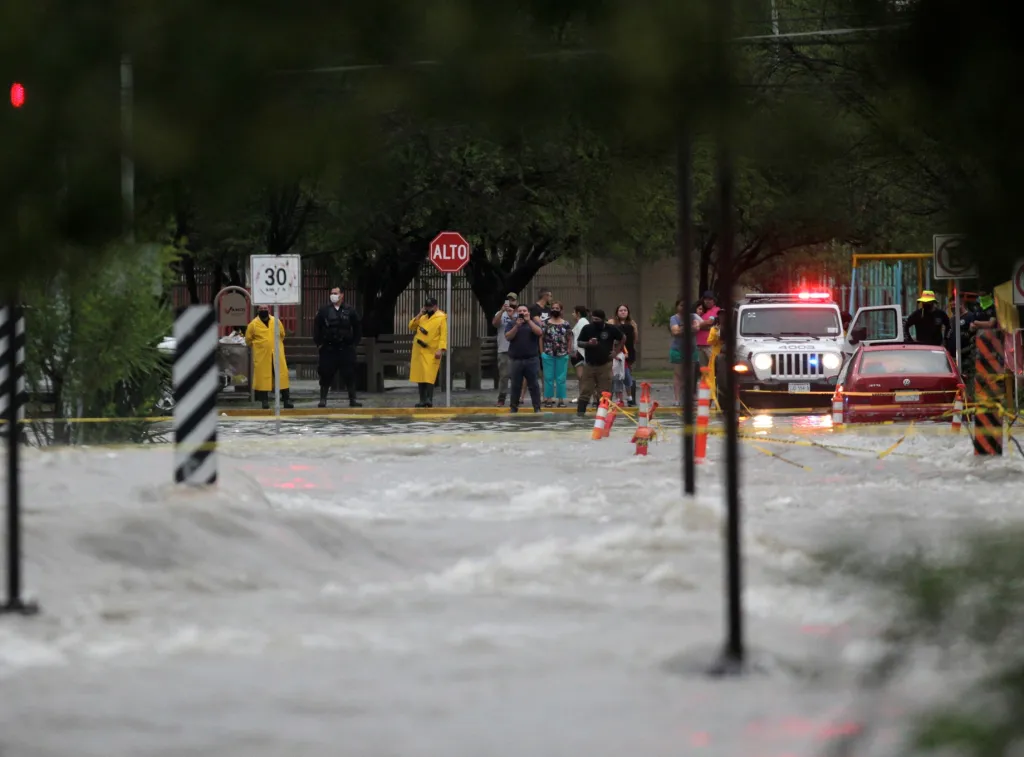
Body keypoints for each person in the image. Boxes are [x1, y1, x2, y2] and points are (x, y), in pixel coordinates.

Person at [312, 286, 363, 408]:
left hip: (345, 348)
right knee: (325, 373)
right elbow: (317, 327)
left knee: (350, 373)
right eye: (332, 293)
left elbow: (357, 327)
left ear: (342, 295)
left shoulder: (350, 310)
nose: (333, 295)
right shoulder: (324, 310)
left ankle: (353, 399)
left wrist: (354, 344)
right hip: (329, 348)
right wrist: (319, 344)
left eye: (336, 293)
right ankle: (323, 399)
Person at [574, 309, 624, 417]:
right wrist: (588, 343)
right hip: (589, 365)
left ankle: (601, 416)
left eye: (597, 319)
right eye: (593, 319)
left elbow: (623, 338)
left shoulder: (611, 329)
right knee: (585, 391)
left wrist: (616, 352)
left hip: (605, 365)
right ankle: (580, 416)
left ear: (603, 319)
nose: (595, 321)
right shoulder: (587, 328)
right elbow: (579, 342)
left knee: (604, 393)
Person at [245, 306, 294, 410]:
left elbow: (282, 334)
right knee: (263, 377)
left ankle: (286, 400)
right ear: (258, 311)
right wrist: (260, 345)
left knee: (282, 375)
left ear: (269, 310)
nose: (263, 310)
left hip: (277, 353)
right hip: (262, 355)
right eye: (261, 308)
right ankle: (264, 401)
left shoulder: (276, 321)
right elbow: (248, 340)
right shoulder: (253, 324)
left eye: (265, 308)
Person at [504, 303, 544, 413]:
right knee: (515, 385)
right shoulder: (512, 323)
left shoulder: (533, 323)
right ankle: (513, 407)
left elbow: (539, 332)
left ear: (528, 313)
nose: (522, 313)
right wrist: (517, 326)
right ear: (517, 313)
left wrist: (529, 321)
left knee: (534, 385)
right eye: (520, 311)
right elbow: (508, 337)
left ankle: (537, 407)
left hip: (531, 359)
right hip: (516, 360)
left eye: (524, 311)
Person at [408, 296, 448, 408]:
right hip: (419, 350)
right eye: (426, 306)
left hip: (432, 350)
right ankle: (422, 400)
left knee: (429, 375)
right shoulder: (423, 317)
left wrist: (440, 349)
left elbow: (443, 335)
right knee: (420, 375)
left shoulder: (441, 318)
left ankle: (429, 399)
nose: (428, 308)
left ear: (435, 306)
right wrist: (419, 314)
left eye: (430, 306)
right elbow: (411, 326)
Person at [669, 298, 702, 405]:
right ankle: (677, 399)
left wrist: (682, 328)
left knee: (691, 376)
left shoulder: (694, 317)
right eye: (681, 305)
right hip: (677, 350)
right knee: (678, 375)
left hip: (691, 350)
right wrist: (688, 328)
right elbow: (675, 331)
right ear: (677, 307)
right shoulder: (674, 318)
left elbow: (696, 328)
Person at [541, 301, 573, 407]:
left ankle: (561, 400)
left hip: (562, 354)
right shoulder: (545, 323)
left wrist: (568, 350)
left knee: (561, 379)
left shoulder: (566, 324)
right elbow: (541, 338)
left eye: (557, 308)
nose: (555, 310)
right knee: (548, 378)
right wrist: (542, 352)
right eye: (553, 308)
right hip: (548, 353)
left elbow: (569, 338)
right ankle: (549, 400)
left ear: (561, 310)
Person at [610, 304, 640, 405]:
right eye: (621, 310)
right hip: (616, 352)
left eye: (625, 310)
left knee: (627, 375)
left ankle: (630, 397)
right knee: (617, 375)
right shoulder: (612, 322)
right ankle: (619, 398)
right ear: (617, 312)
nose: (623, 312)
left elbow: (635, 339)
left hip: (628, 352)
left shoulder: (632, 323)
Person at [492, 292, 517, 407]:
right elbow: (495, 324)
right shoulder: (500, 313)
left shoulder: (519, 313)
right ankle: (501, 398)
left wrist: (511, 316)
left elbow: (520, 326)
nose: (511, 302)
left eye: (513, 300)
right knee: (503, 376)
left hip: (516, 349)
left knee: (516, 376)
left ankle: (515, 398)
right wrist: (502, 311)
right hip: (503, 349)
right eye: (509, 300)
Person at [696, 291, 720, 370]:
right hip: (699, 344)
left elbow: (710, 322)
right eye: (705, 299)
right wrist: (705, 326)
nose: (707, 301)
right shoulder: (701, 310)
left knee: (714, 367)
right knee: (703, 368)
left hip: (710, 345)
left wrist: (697, 325)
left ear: (714, 300)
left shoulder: (716, 310)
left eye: (710, 299)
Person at [571, 305, 590, 402]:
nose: (572, 314)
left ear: (578, 313)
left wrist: (576, 351)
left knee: (582, 377)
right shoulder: (581, 322)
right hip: (579, 352)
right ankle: (582, 396)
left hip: (580, 352)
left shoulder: (582, 322)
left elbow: (580, 338)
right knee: (581, 377)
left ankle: (584, 397)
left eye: (573, 312)